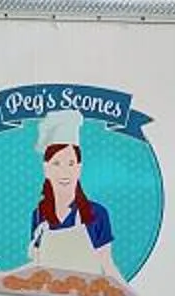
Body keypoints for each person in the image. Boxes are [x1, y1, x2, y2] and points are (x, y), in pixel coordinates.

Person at [24, 109, 119, 281]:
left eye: (70, 163)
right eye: (57, 163)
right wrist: (5, 276)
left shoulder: (97, 214)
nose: (64, 172)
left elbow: (107, 265)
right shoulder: (39, 215)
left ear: (79, 168)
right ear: (46, 169)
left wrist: (127, 292)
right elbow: (37, 267)